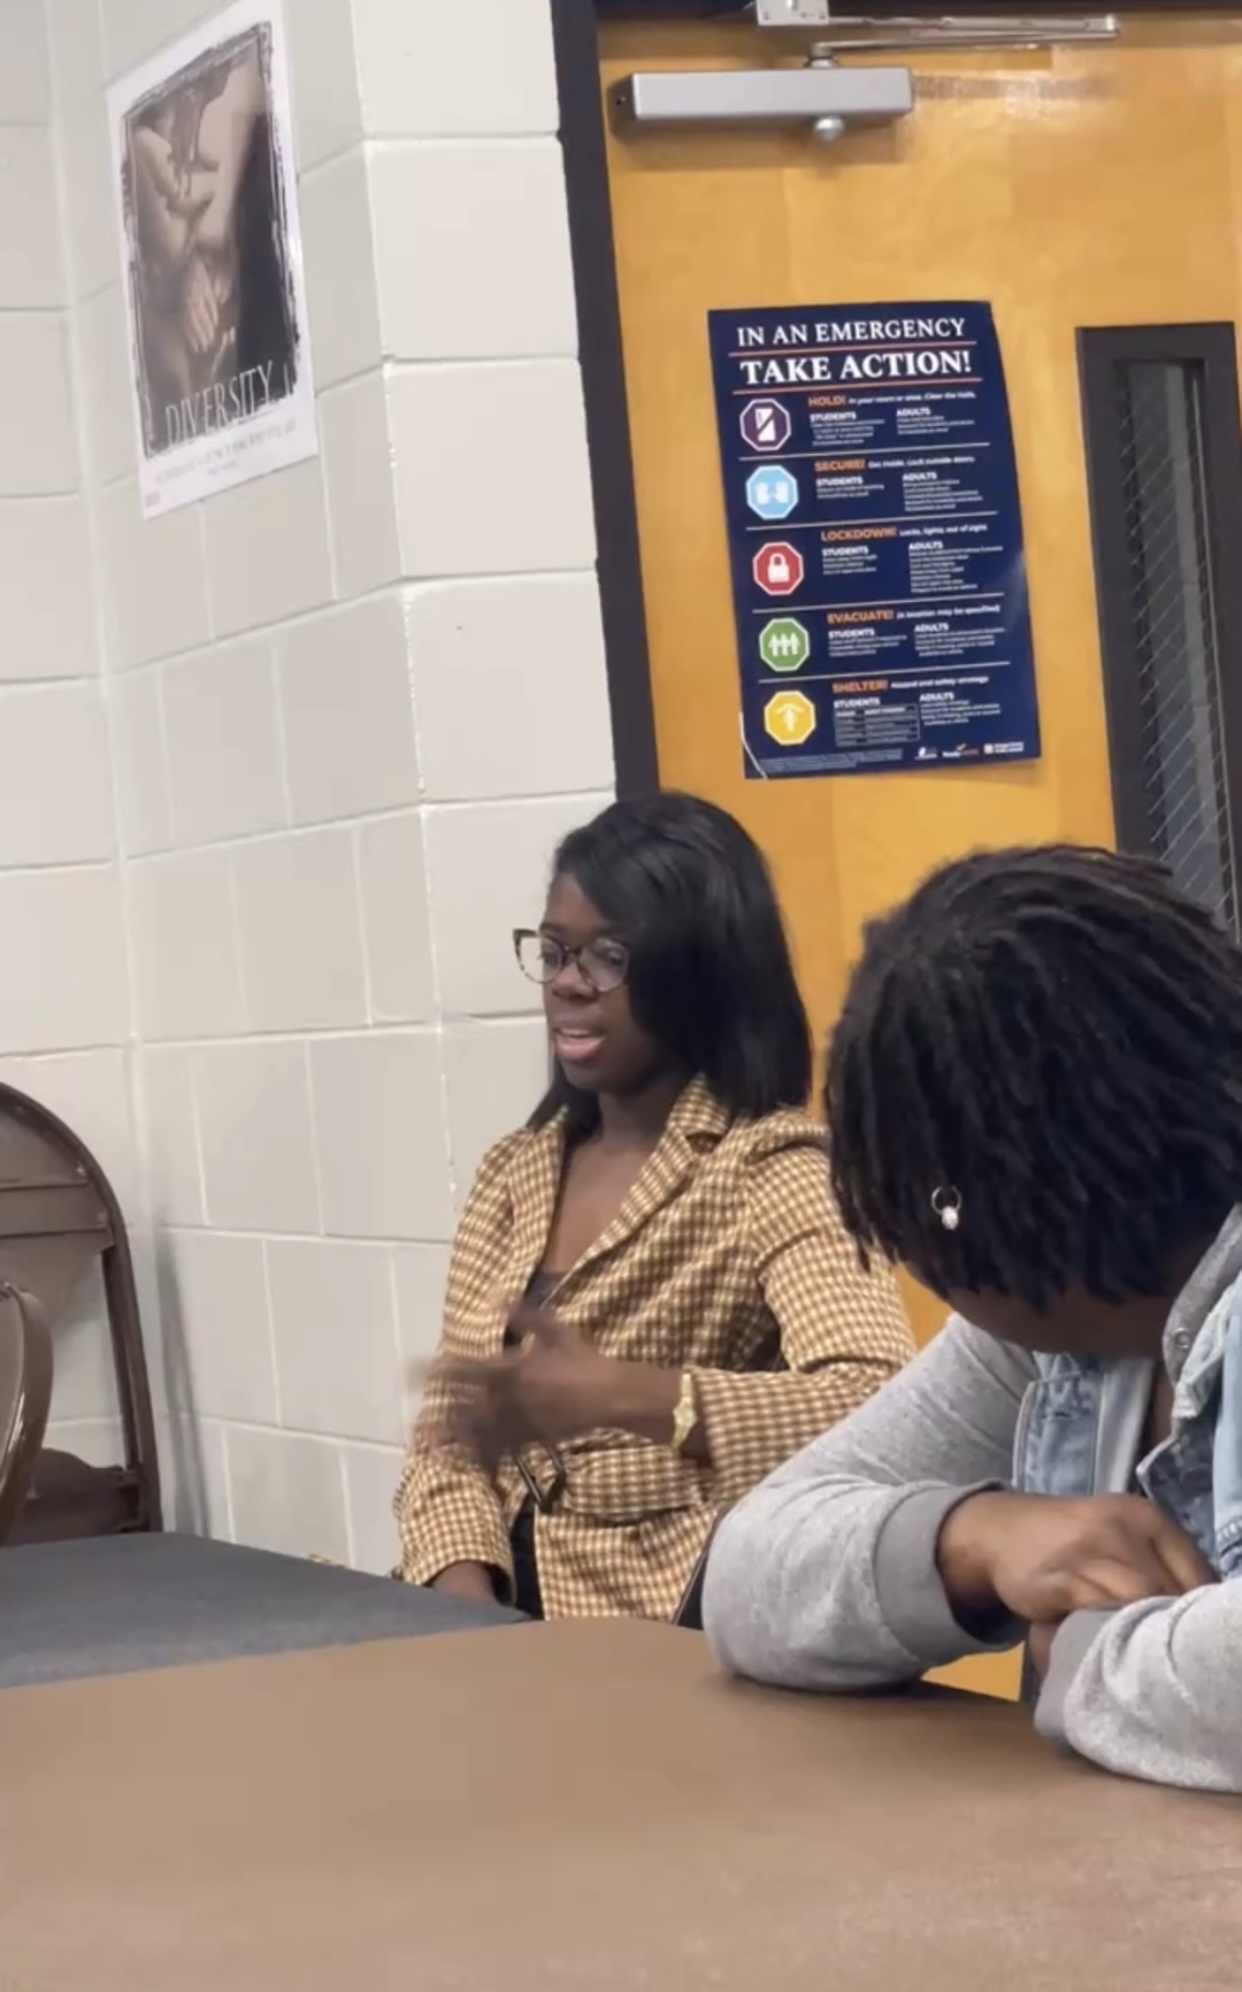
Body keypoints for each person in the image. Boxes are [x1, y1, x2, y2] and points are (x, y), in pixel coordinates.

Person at [703, 843, 1242, 1793]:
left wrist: (1084, 1653)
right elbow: (750, 1574)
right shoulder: (1053, 1339)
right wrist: (972, 1540)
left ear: (991, 1212)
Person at [395, 793, 913, 1621]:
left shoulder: (773, 1168)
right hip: (488, 1611)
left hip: (666, 1615)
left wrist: (627, 1396)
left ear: (699, 972)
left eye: (609, 956)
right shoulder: (513, 1174)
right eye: (554, 952)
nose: (568, 984)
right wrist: (466, 1611)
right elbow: (447, 1443)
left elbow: (872, 1403)